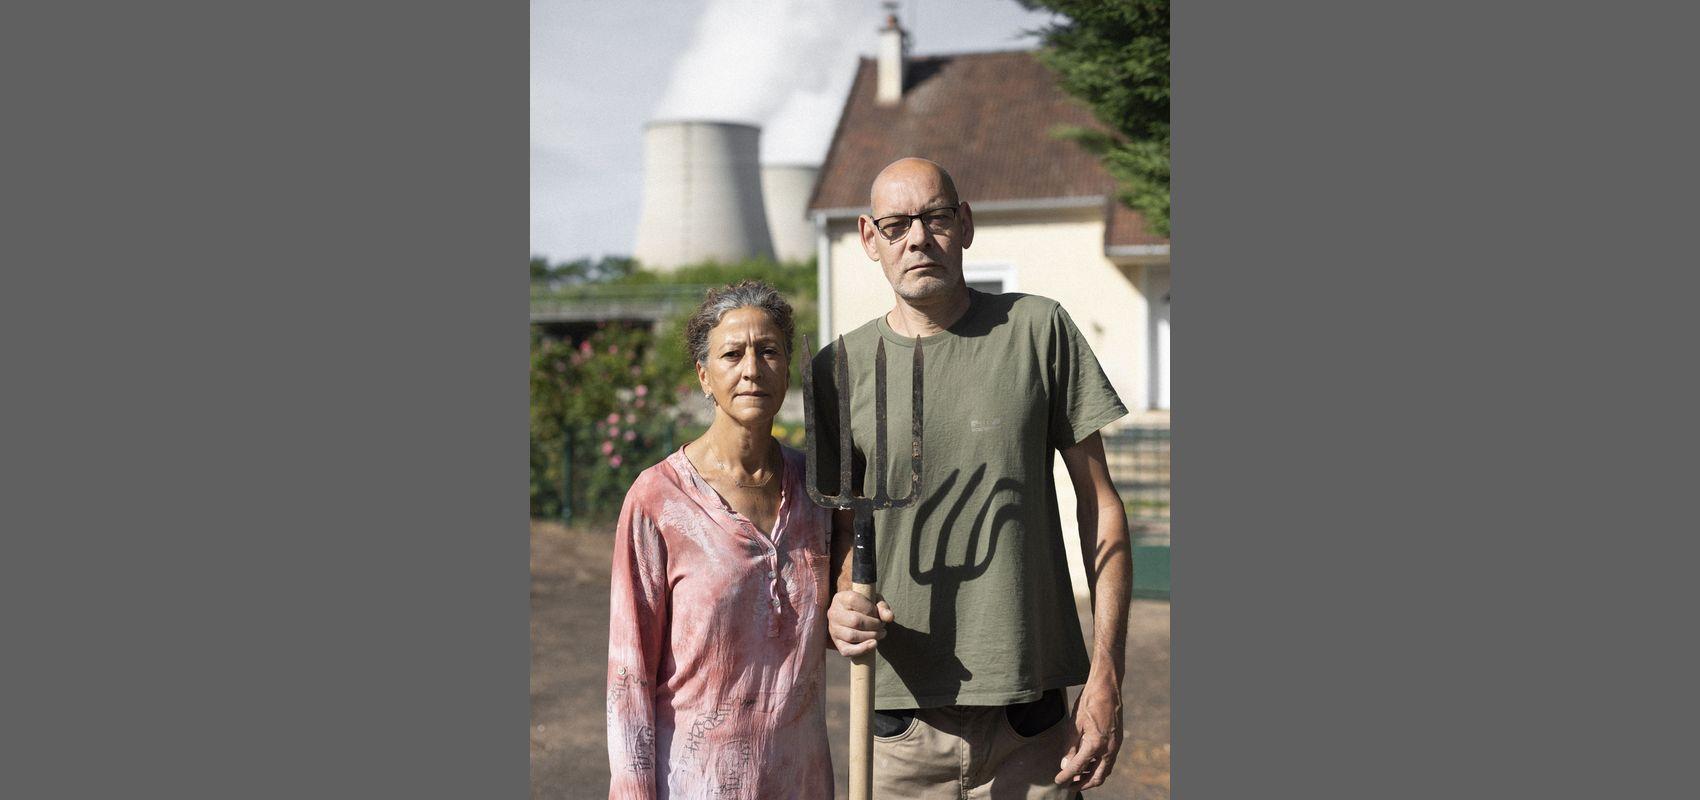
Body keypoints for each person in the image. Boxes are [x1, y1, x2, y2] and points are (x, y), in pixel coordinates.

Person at [813, 158, 1134, 798]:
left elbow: (1100, 505)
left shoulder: (1038, 331)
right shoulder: (838, 370)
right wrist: (841, 603)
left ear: (964, 223)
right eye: (896, 224)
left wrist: (1107, 677)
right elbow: (842, 536)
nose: (917, 239)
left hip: (1033, 723)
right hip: (898, 724)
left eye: (934, 217)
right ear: (869, 237)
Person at [606, 281, 833, 799]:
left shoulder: (818, 491)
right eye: (733, 354)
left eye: (769, 350)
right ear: (705, 377)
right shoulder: (658, 499)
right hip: (693, 783)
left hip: (799, 781)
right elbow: (628, 677)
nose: (752, 368)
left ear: (787, 368)